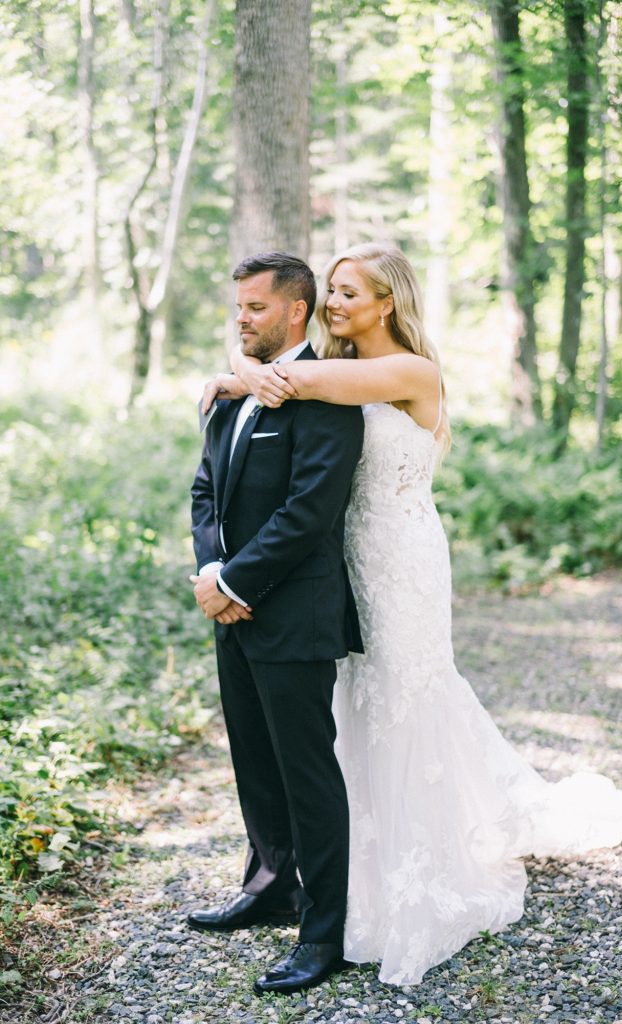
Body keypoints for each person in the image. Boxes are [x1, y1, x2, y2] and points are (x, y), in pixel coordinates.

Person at [203, 242, 622, 986]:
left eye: (350, 292)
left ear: (387, 303)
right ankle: (333, 870)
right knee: (353, 707)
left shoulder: (410, 370)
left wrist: (237, 375)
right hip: (347, 557)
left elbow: (290, 377)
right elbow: (293, 387)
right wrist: (242, 377)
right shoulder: (336, 372)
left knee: (405, 696)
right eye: (332, 290)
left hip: (401, 555)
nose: (336, 303)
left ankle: (417, 863)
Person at [188, 251, 364, 996]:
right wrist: (210, 574)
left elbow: (309, 512)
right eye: (238, 307)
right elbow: (206, 492)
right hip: (231, 609)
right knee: (254, 760)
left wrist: (236, 578)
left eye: (255, 308)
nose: (241, 318)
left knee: (307, 773)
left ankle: (323, 933)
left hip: (293, 611)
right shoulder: (235, 392)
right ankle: (270, 885)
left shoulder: (328, 396)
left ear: (296, 311)